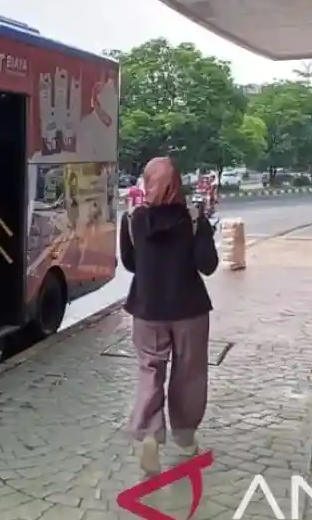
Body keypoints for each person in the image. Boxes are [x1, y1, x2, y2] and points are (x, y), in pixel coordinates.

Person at [120, 156, 219, 475]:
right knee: (189, 373)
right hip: (189, 310)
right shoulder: (192, 218)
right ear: (178, 183)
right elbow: (208, 265)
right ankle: (185, 436)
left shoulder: (132, 219)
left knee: (150, 370)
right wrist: (202, 232)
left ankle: (151, 434)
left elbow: (131, 264)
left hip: (147, 309)